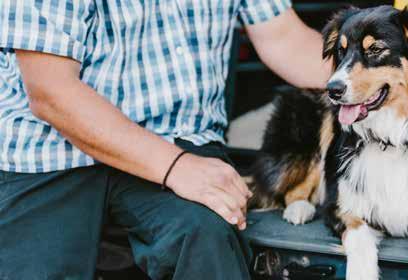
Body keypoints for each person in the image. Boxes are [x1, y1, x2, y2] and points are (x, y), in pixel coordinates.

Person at [0, 0, 331, 279]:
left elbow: (284, 38)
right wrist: (176, 167)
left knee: (205, 236)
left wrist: (368, 71)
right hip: (52, 147)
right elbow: (51, 91)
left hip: (179, 136)